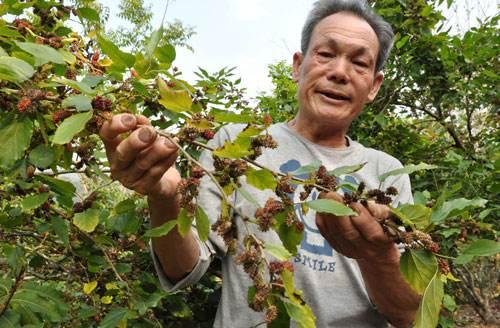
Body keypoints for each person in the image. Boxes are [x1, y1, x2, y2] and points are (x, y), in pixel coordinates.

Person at [99, 0, 421, 327]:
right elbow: (184, 268)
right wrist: (164, 197)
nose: (339, 72)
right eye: (325, 54)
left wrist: (378, 256)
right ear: (298, 66)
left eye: (359, 62)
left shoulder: (386, 173)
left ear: (374, 86)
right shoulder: (236, 145)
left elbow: (408, 315)